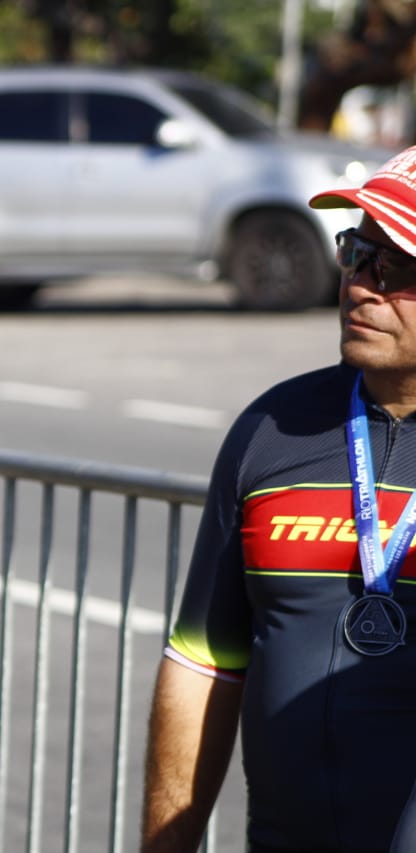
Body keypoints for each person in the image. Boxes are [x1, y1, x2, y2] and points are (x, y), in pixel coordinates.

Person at [142, 145, 416, 853]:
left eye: (399, 268)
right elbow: (202, 661)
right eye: (357, 252)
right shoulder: (271, 428)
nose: (361, 284)